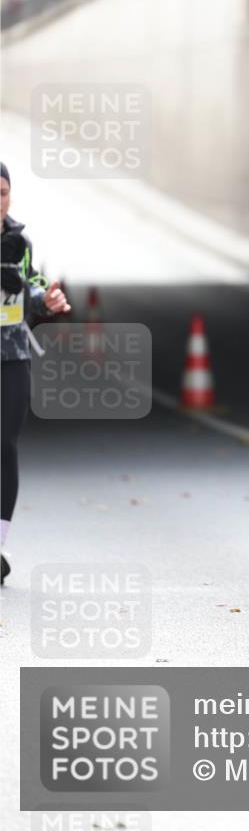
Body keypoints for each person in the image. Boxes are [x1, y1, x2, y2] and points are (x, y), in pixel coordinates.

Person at [1, 162, 70, 584]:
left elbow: (31, 285)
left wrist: (47, 300)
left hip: (11, 356)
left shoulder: (18, 241)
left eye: (2, 192)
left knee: (4, 446)